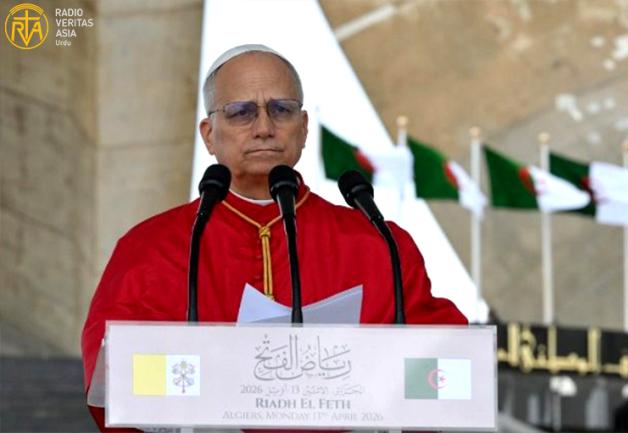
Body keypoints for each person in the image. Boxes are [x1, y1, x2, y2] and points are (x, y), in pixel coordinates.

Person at [80, 44, 467, 431]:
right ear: (209, 135)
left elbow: (448, 366)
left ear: (303, 127)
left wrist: (375, 382)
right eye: (241, 112)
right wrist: (216, 374)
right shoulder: (153, 247)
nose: (264, 127)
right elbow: (112, 372)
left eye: (281, 110)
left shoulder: (377, 243)